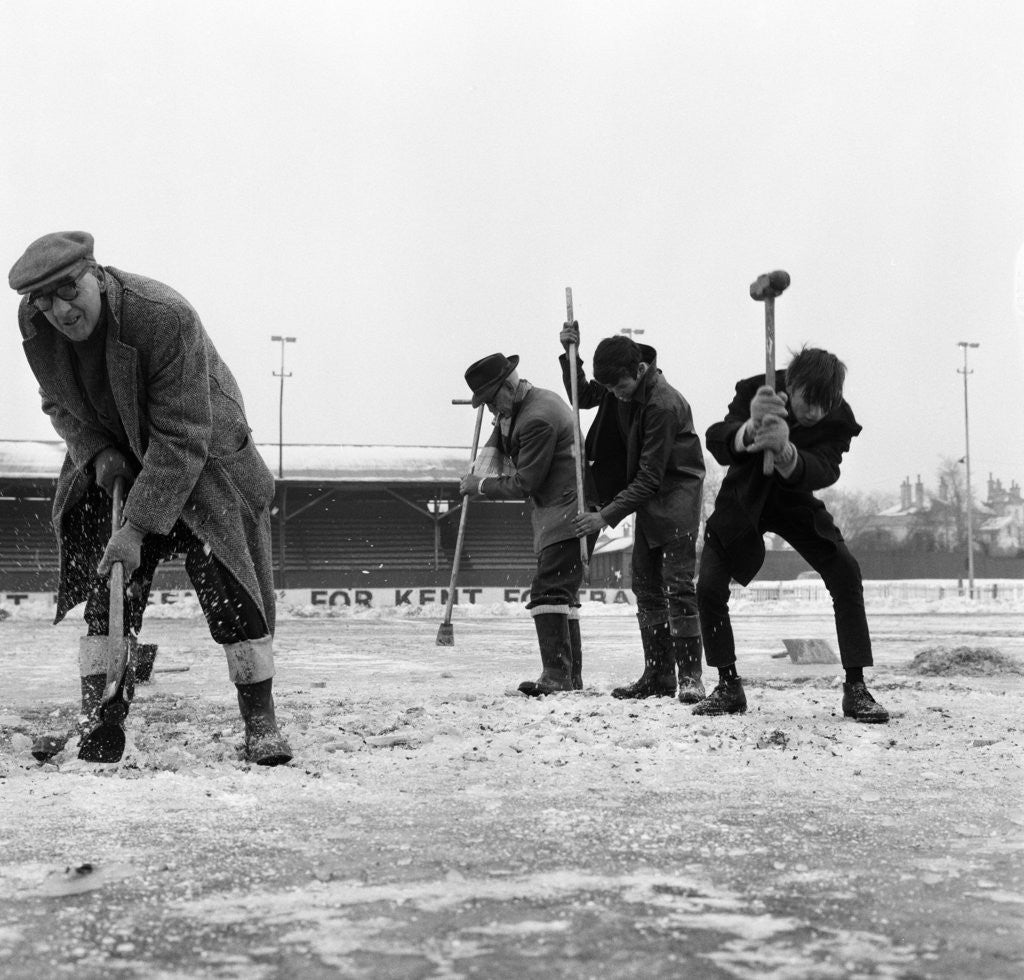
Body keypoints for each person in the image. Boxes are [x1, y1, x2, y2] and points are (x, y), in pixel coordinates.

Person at [8, 231, 292, 764]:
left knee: (231, 590)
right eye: (43, 300)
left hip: (203, 456)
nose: (61, 310)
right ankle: (100, 718)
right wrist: (95, 452)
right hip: (120, 452)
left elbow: (184, 436)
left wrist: (136, 528)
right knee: (108, 585)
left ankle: (261, 720)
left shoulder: (162, 316)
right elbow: (56, 402)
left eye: (69, 289)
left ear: (95, 274)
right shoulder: (36, 326)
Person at [693, 346, 889, 723]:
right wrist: (749, 430)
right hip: (744, 497)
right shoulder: (759, 390)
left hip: (794, 500)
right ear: (792, 383)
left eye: (824, 404)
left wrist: (786, 452)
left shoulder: (838, 418)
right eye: (808, 401)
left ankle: (856, 688)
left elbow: (825, 469)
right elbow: (717, 439)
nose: (815, 412)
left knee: (845, 572)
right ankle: (728, 685)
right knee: (709, 588)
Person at [567, 332, 706, 703]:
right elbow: (583, 395)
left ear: (640, 369)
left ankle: (690, 677)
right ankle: (659, 675)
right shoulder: (627, 392)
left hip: (676, 503)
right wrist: (571, 354)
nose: (616, 395)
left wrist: (604, 517)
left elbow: (649, 478)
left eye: (620, 387)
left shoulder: (662, 405)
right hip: (649, 503)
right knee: (645, 586)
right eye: (610, 389)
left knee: (678, 587)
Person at [460, 352, 595, 695]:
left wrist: (480, 485)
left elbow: (525, 483)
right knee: (562, 593)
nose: (492, 411)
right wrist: (500, 425)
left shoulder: (538, 418)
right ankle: (569, 677)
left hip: (570, 511)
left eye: (492, 402)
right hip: (560, 510)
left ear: (508, 388)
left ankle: (557, 676)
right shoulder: (523, 408)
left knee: (548, 590)